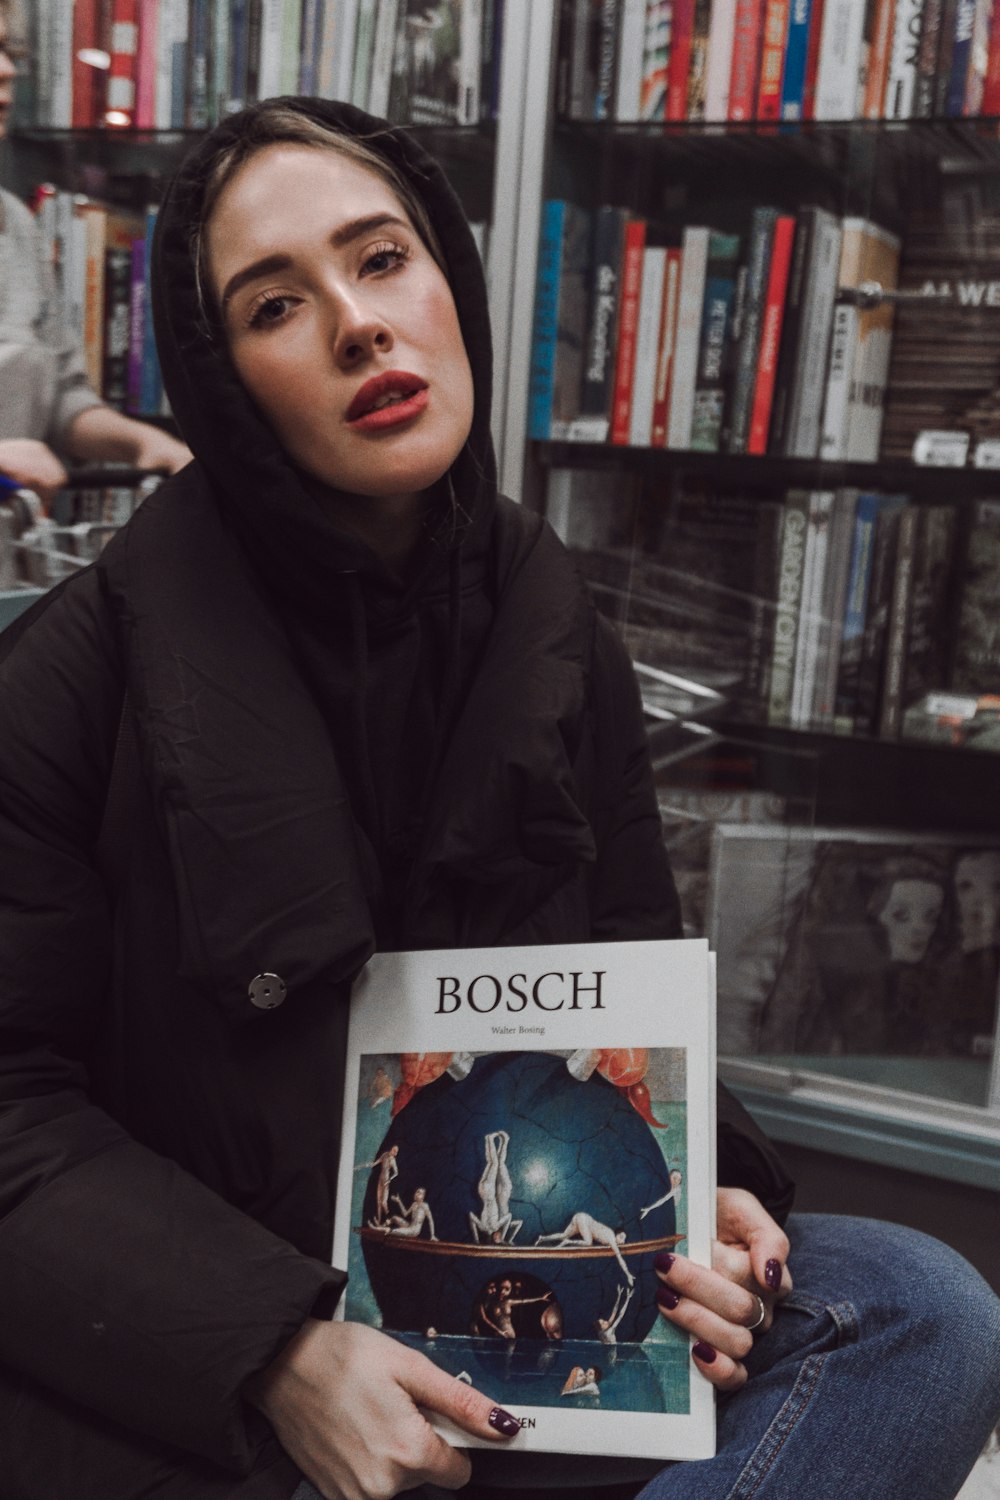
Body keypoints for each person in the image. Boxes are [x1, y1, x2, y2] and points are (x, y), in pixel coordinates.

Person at [0, 95, 997, 1500]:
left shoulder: (546, 616)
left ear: (454, 284)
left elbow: (630, 978)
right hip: (225, 1361)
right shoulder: (75, 671)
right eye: (278, 303)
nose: (358, 324)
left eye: (384, 258)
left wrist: (702, 1190)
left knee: (921, 1311)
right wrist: (274, 1352)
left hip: (513, 1293)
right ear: (221, 379)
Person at [0, 0, 189, 511]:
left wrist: (145, 444)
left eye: (6, 49)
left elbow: (62, 398)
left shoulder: (15, 223)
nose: (6, 70)